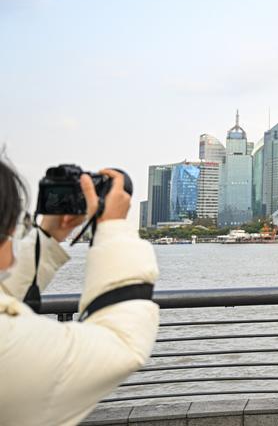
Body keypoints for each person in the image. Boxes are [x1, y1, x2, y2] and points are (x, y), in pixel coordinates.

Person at [0, 159, 160, 426]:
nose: (11, 258)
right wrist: (114, 227)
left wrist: (50, 236)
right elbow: (123, 345)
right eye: (8, 235)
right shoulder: (8, 349)